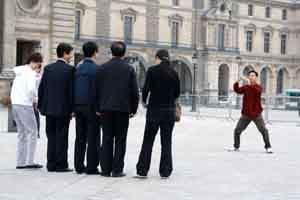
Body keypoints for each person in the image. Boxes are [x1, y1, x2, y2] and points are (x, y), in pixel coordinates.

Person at [95, 41, 139, 177]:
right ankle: (117, 169)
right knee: (120, 139)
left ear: (111, 52)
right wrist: (133, 109)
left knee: (106, 138)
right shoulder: (129, 69)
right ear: (124, 53)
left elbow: (96, 90)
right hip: (122, 109)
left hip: (105, 109)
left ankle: (105, 169)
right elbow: (134, 92)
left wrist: (97, 107)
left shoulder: (102, 68)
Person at [136, 49, 180, 179]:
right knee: (166, 142)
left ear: (158, 58)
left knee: (148, 140)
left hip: (154, 110)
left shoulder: (152, 71)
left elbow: (146, 89)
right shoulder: (174, 72)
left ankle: (142, 170)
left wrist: (144, 101)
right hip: (169, 111)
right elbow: (177, 93)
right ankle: (165, 171)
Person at [38, 43, 75, 172]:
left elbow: (42, 88)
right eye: (70, 53)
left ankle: (51, 163)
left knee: (51, 136)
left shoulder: (48, 68)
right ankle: (61, 164)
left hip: (49, 109)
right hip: (64, 109)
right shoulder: (70, 70)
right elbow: (71, 92)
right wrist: (72, 109)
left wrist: (41, 106)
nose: (71, 56)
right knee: (62, 137)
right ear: (65, 53)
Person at [11, 52, 44, 169]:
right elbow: (31, 89)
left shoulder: (19, 71)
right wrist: (35, 99)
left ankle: (20, 162)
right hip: (25, 104)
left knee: (22, 133)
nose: (38, 67)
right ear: (34, 62)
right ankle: (29, 161)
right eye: (38, 64)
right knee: (33, 131)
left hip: (15, 104)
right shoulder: (30, 73)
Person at [74, 42, 101, 175]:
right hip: (91, 107)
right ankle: (91, 166)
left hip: (78, 106)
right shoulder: (97, 69)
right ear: (95, 52)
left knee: (80, 137)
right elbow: (98, 91)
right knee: (93, 137)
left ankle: (78, 165)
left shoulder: (77, 69)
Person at [232, 70, 273, 154]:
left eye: (253, 75)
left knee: (263, 130)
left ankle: (268, 147)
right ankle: (236, 147)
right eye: (250, 75)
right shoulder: (246, 87)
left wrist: (248, 83)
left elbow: (256, 92)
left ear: (256, 77)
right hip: (246, 114)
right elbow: (237, 90)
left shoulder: (258, 87)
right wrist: (238, 81)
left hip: (256, 114)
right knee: (237, 130)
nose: (251, 77)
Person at [33, 64, 42, 138]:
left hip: (35, 99)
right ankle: (36, 132)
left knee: (35, 116)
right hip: (33, 99)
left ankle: (37, 132)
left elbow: (37, 89)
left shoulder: (38, 77)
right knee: (35, 116)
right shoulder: (36, 76)